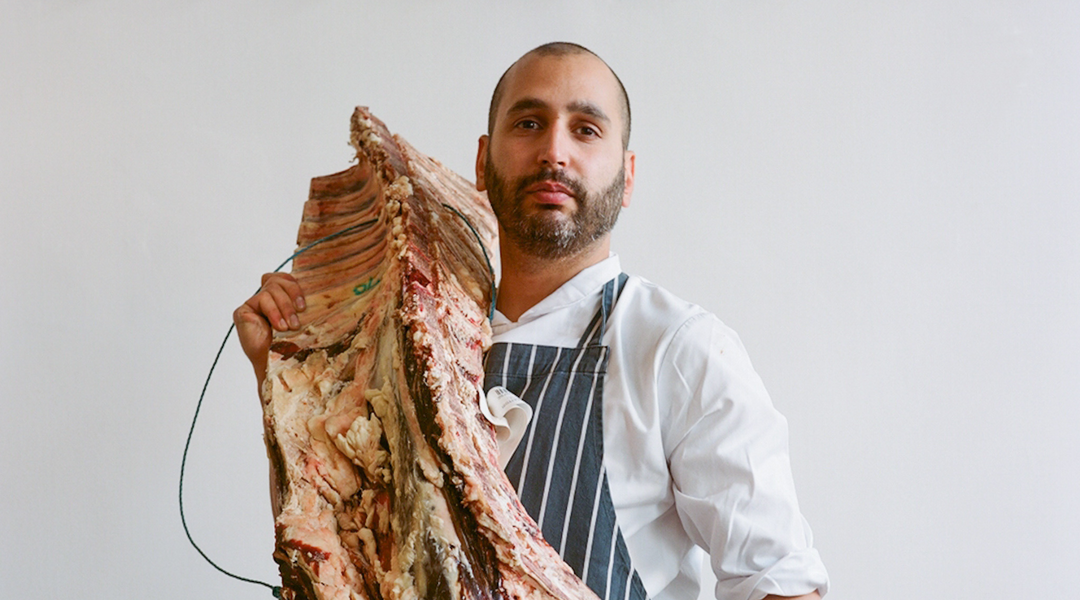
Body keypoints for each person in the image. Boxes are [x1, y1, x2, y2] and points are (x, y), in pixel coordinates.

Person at [234, 42, 829, 600]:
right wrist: (285, 386)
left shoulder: (678, 349)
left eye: (586, 129)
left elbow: (779, 582)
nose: (554, 151)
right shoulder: (407, 333)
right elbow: (342, 554)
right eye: (528, 123)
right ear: (481, 162)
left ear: (626, 176)